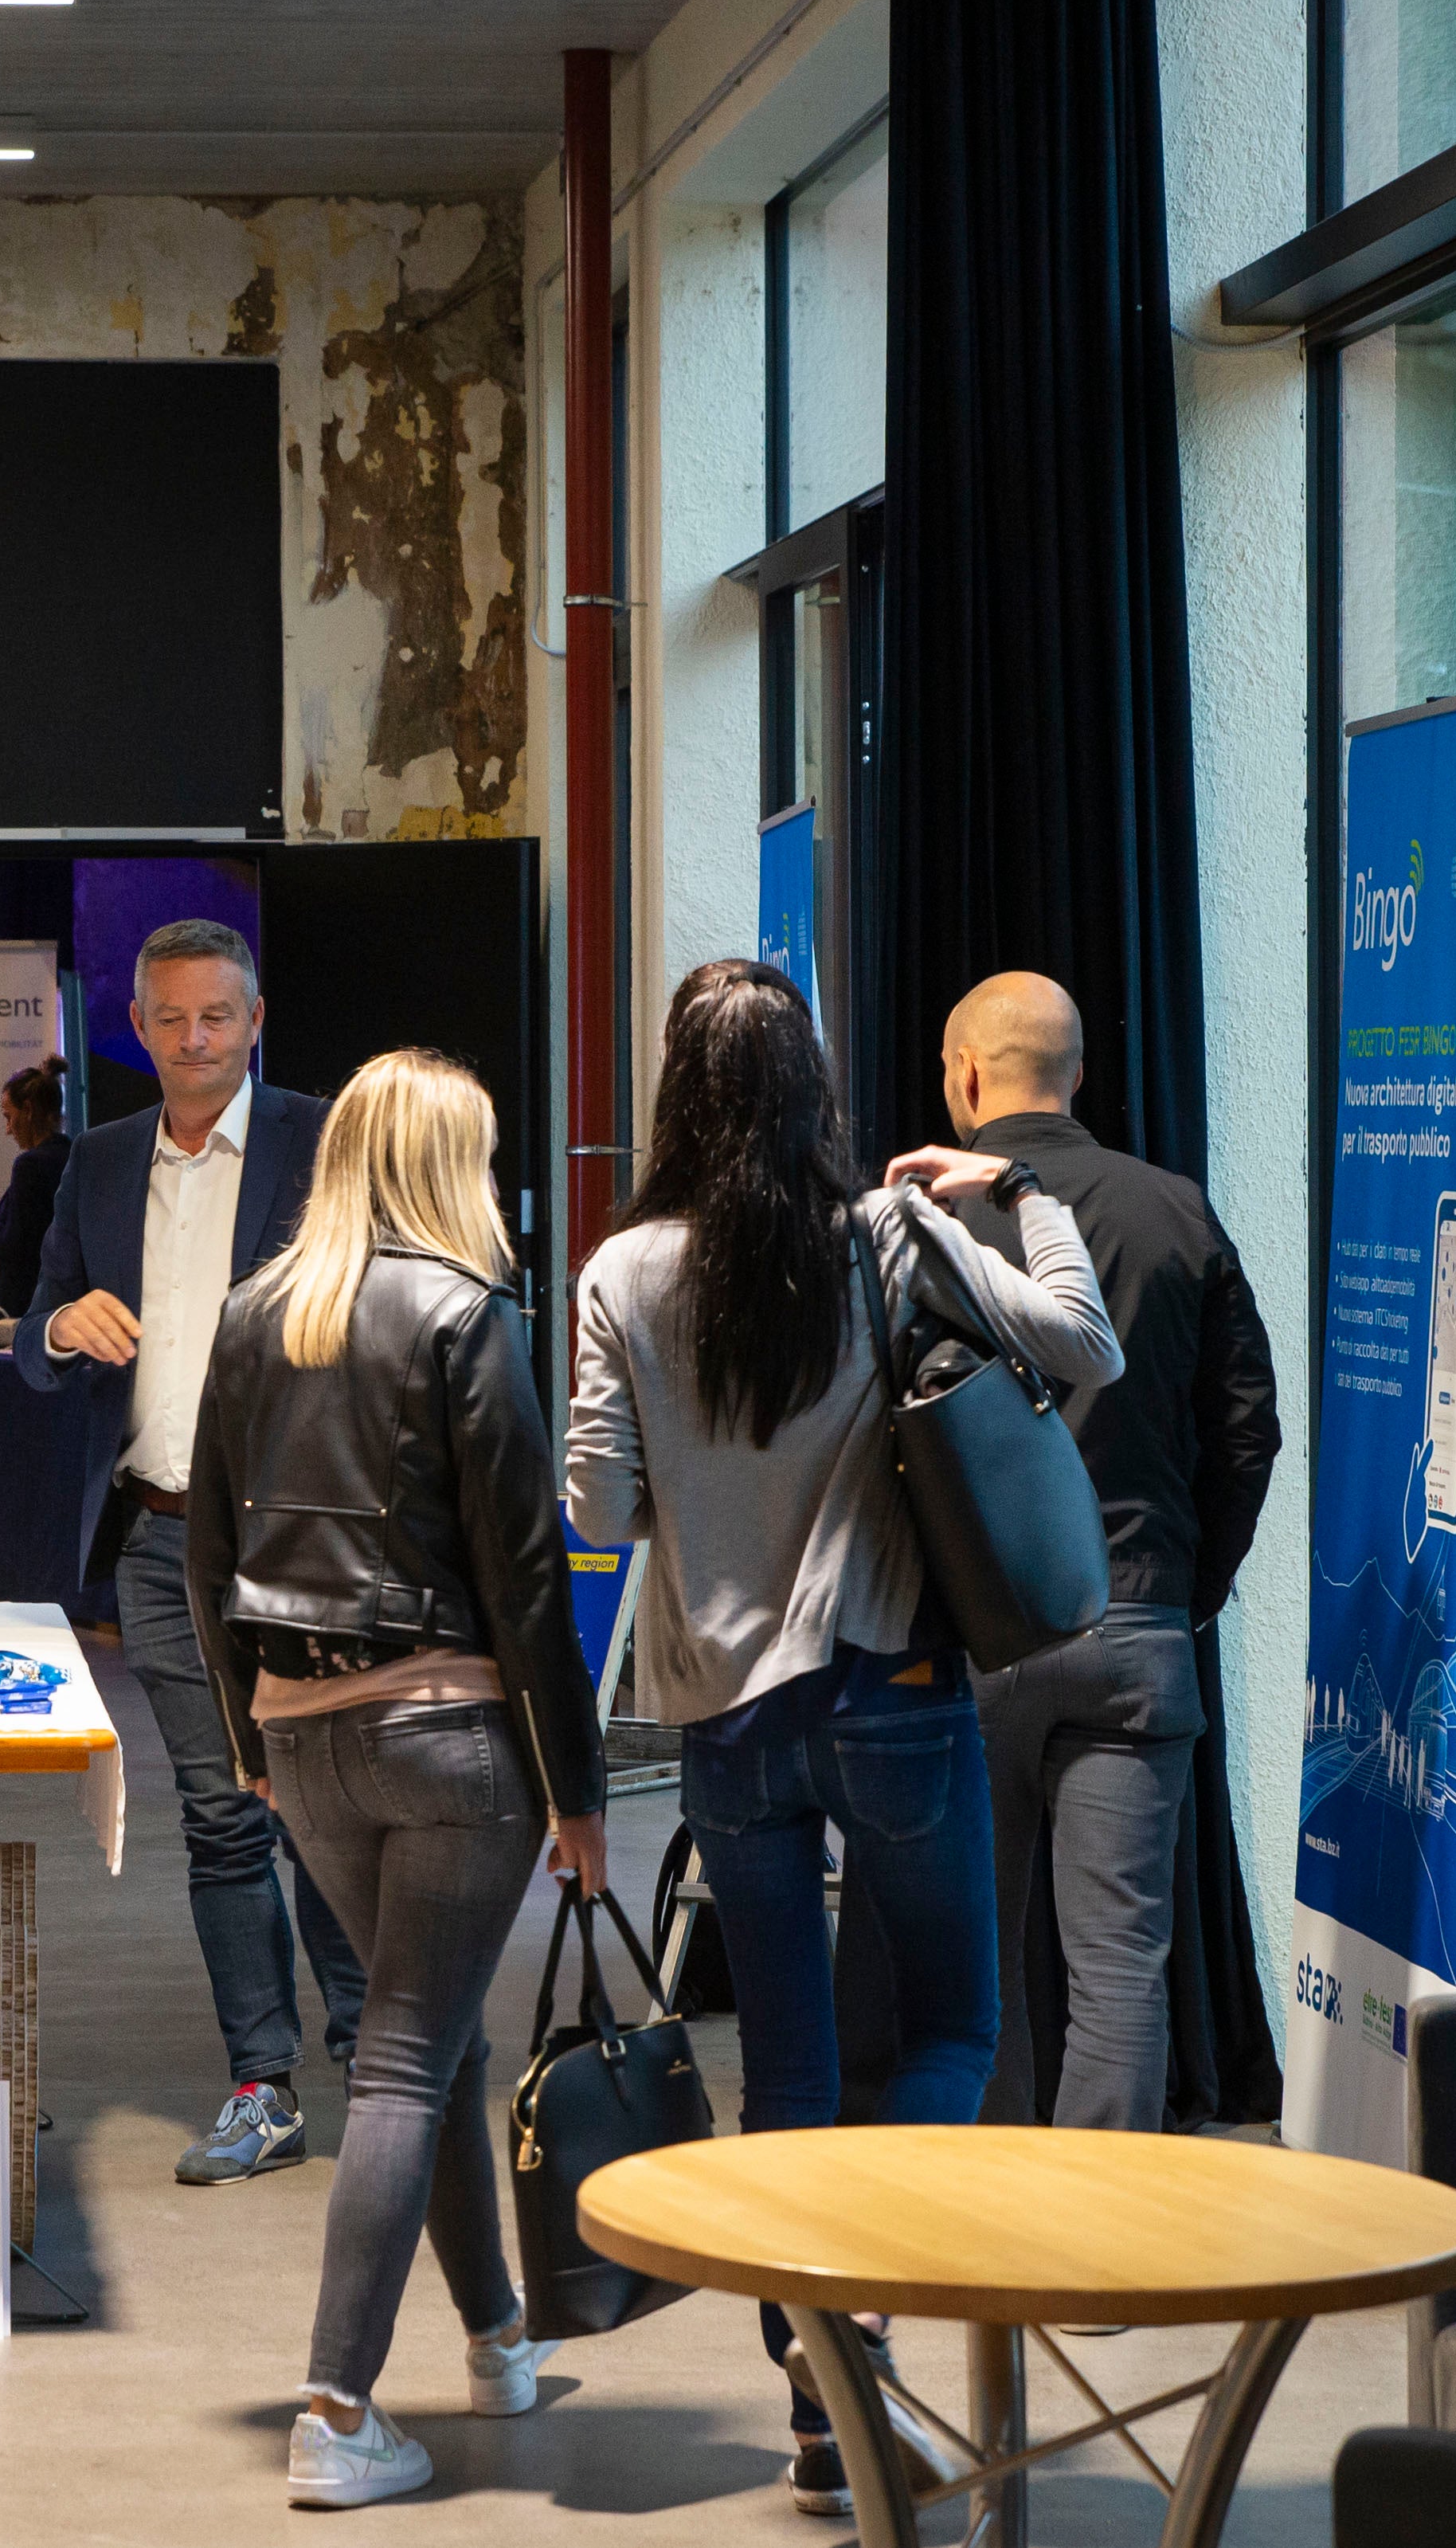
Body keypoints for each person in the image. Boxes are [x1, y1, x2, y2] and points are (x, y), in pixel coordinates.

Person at [563, 959, 1121, 2518]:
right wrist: (1009, 1184)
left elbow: (593, 1508)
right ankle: (862, 2313)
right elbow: (1082, 1347)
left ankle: (817, 2391)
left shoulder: (620, 1275)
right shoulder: (882, 1236)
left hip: (726, 1726)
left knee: (785, 2068)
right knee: (947, 2027)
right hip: (890, 1693)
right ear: (809, 1089)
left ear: (676, 1091)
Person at [184, 1050, 609, 2511]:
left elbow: (204, 1544)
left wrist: (249, 1740)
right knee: (406, 2052)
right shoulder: (469, 1314)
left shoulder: (253, 1313)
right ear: (451, 1162)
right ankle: (335, 2404)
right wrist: (579, 1787)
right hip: (449, 1743)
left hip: (303, 1741)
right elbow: (525, 1574)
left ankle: (493, 2334)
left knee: (431, 2042)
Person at [14, 918, 370, 2183]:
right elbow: (32, 1331)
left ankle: (373, 2057)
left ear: (254, 1018)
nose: (192, 1040)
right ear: (137, 1028)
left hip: (304, 1536)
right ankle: (262, 2081)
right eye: (167, 1019)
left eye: (214, 1016)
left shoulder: (324, 1142)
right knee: (222, 1817)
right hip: (158, 1540)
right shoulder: (101, 1162)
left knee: (323, 1804)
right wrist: (59, 1324)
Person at [933, 973, 1282, 2138]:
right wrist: (1190, 1592)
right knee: (1119, 1960)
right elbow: (1248, 1426)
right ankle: (1103, 2236)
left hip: (963, 1646)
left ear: (965, 1076)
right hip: (1134, 1631)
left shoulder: (922, 1224)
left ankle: (981, 2222)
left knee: (969, 1954)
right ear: (1075, 1073)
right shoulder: (1174, 1211)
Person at [0, 1053, 74, 1319]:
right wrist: (0, 1216)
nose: (8, 1129)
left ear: (29, 1111)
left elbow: (20, 1246)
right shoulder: (71, 1154)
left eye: (9, 1117)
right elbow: (43, 1223)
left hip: (23, 1308)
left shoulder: (29, 1165)